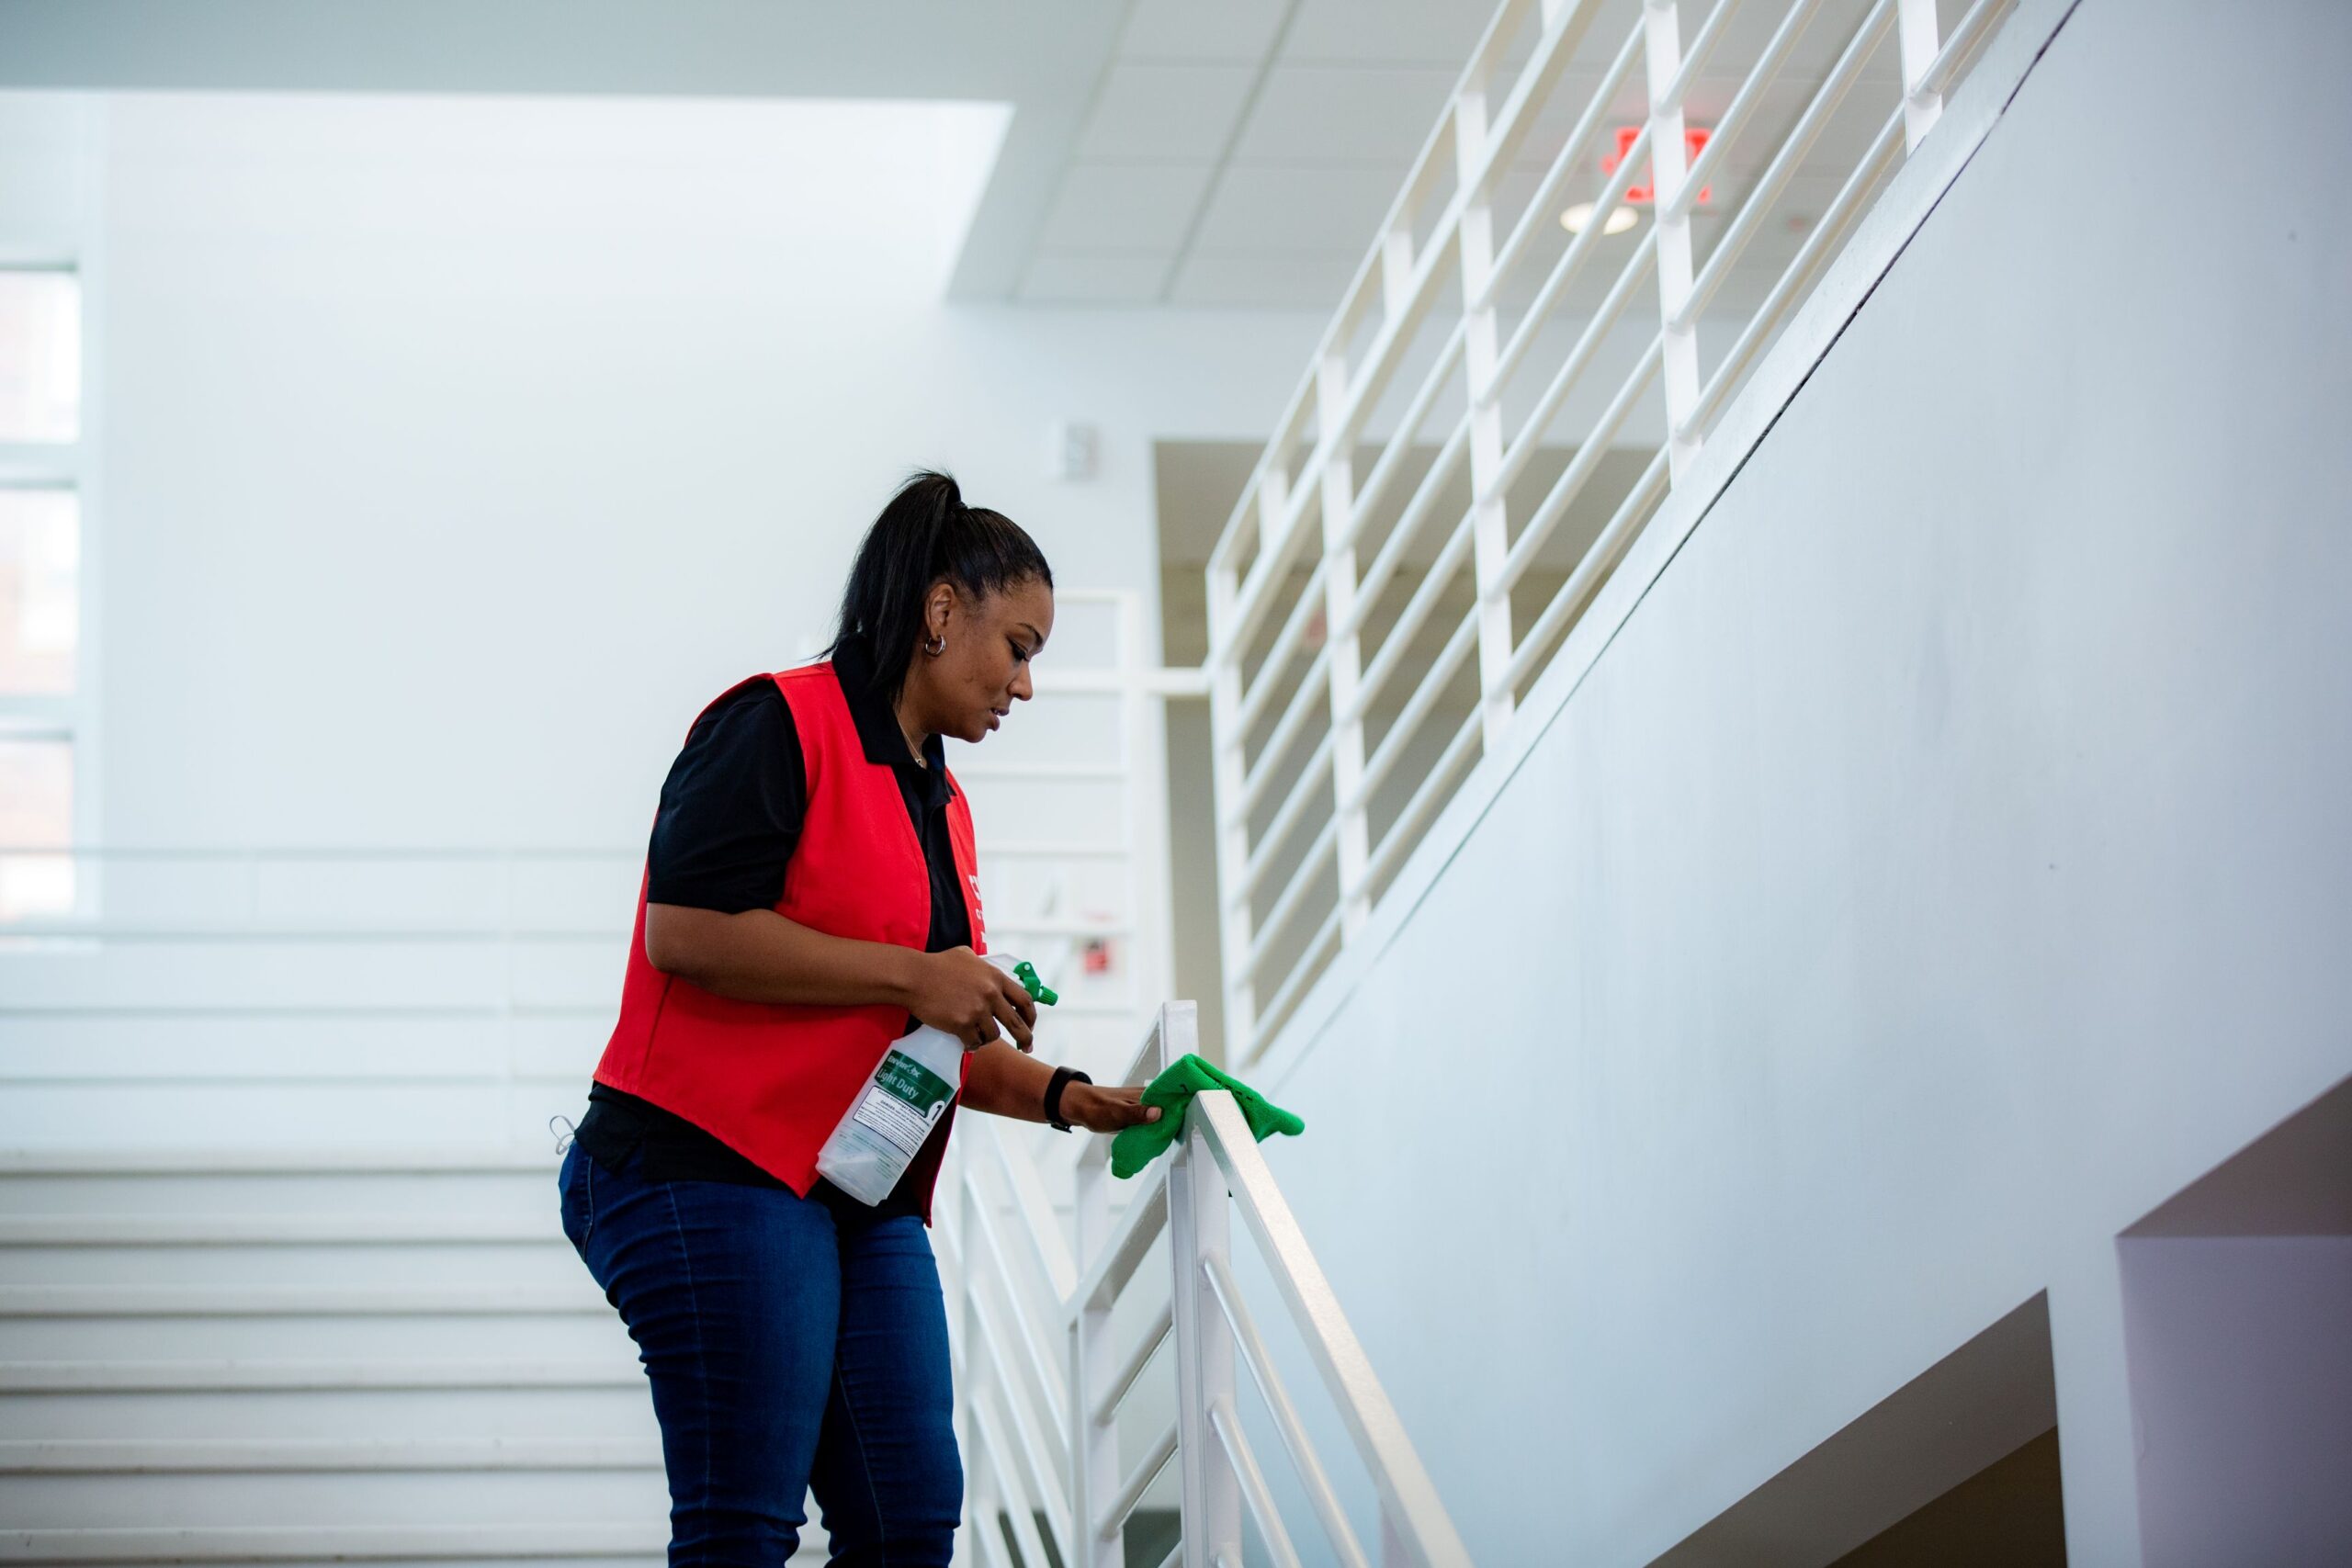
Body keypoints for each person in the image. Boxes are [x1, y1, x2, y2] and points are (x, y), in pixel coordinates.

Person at [556, 470, 1160, 1564]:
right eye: (1018, 647)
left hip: (847, 1189)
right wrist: (915, 976)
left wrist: (1073, 1099)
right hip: (700, 1160)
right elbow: (682, 932)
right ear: (940, 613)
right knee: (745, 1524)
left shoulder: (943, 803)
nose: (1025, 685)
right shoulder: (776, 721)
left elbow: (925, 1036)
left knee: (908, 1518)